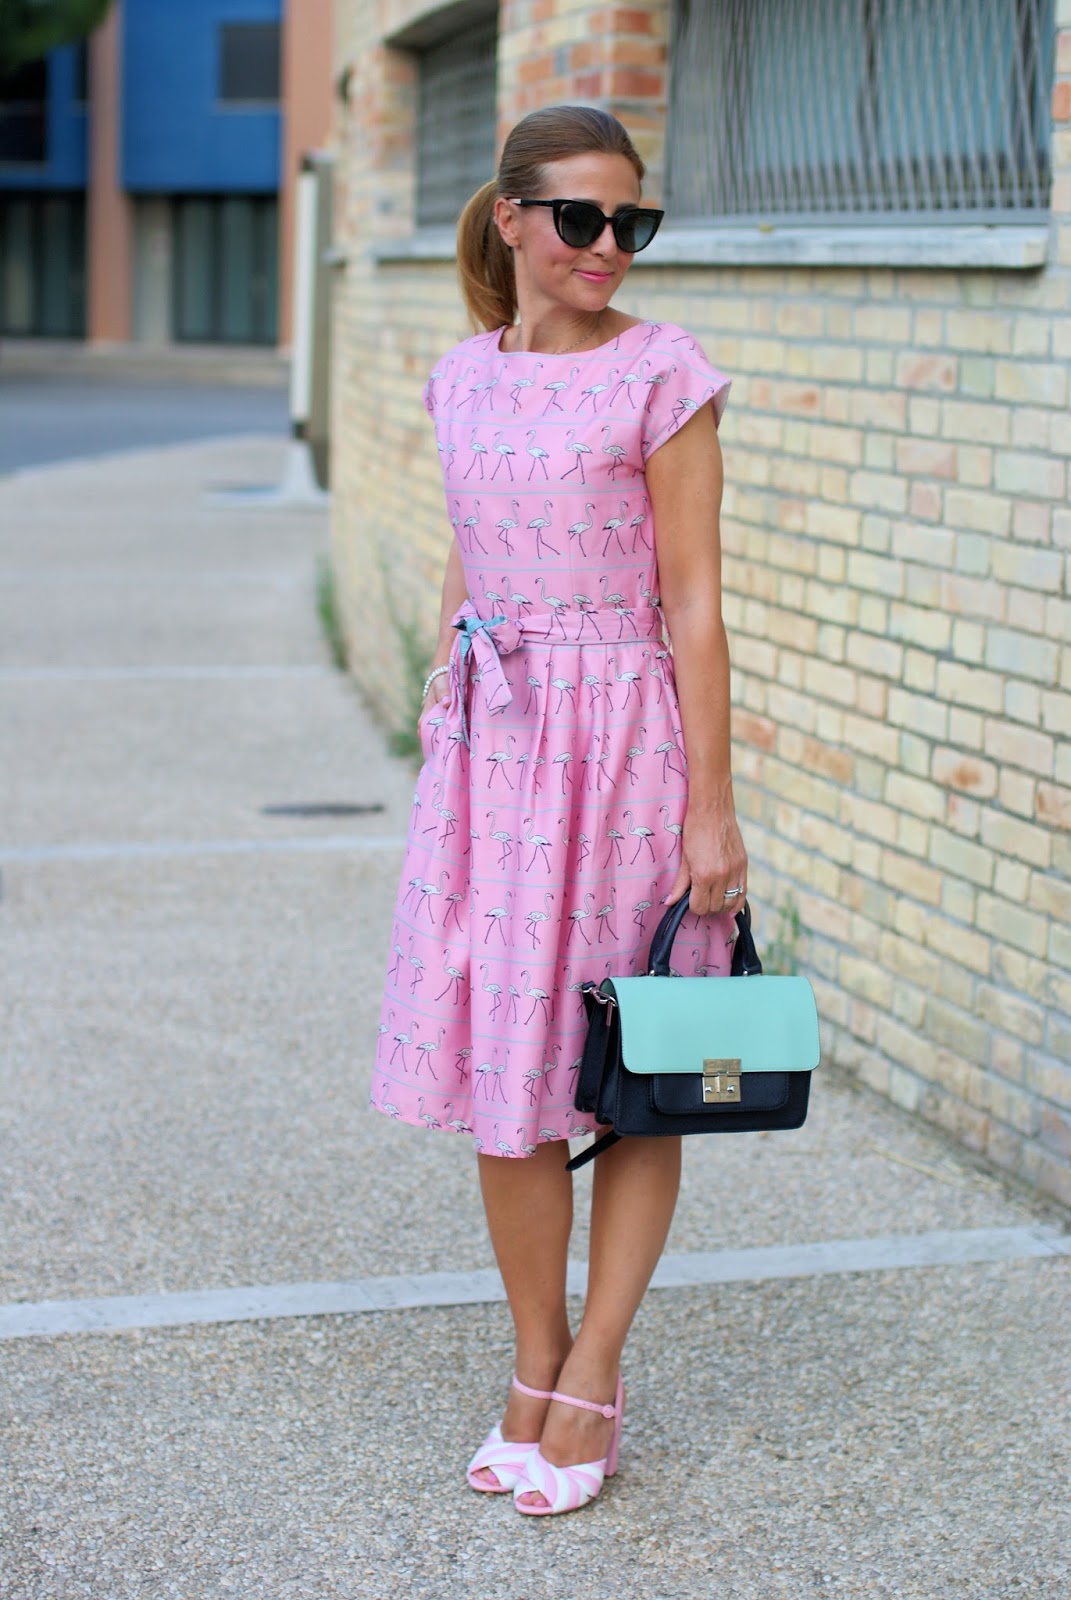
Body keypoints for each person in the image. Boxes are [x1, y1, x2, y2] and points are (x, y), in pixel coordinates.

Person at [370, 104, 748, 1516]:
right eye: (581, 220)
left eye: (631, 224)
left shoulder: (664, 374)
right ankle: (531, 1368)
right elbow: (471, 569)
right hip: (495, 750)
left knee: (630, 1067)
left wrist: (715, 808)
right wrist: (443, 715)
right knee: (501, 1073)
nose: (607, 248)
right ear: (515, 220)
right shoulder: (460, 378)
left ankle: (595, 1369)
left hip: (628, 750)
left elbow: (697, 601)